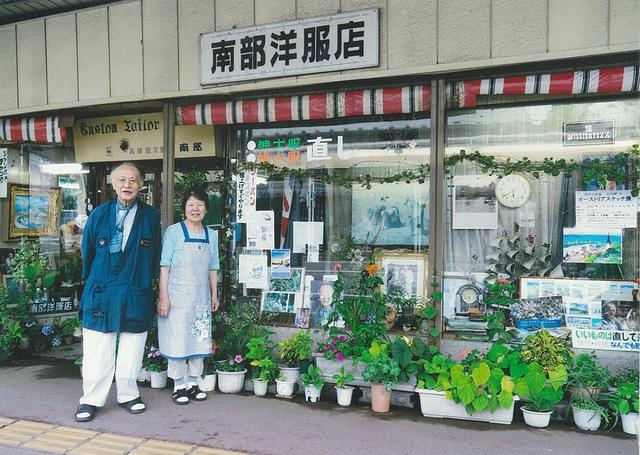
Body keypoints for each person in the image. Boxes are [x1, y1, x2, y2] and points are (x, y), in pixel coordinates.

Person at [74, 162, 161, 423]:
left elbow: (154, 253)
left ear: (141, 185)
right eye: (122, 180)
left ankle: (129, 394)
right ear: (113, 184)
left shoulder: (151, 216)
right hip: (102, 289)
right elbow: (88, 254)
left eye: (133, 180)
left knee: (133, 347)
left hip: (136, 288)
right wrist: (96, 281)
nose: (127, 185)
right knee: (97, 347)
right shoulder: (99, 215)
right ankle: (90, 399)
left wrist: (148, 283)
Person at [157, 187, 220, 405]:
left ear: (206, 209)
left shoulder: (210, 235)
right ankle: (179, 385)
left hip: (200, 300)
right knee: (178, 340)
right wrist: (163, 297)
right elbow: (164, 267)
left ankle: (194, 383)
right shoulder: (173, 232)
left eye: (199, 205)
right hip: (176, 299)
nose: (195, 209)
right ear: (184, 208)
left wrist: (214, 295)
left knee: (198, 341)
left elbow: (213, 268)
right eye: (191, 205)